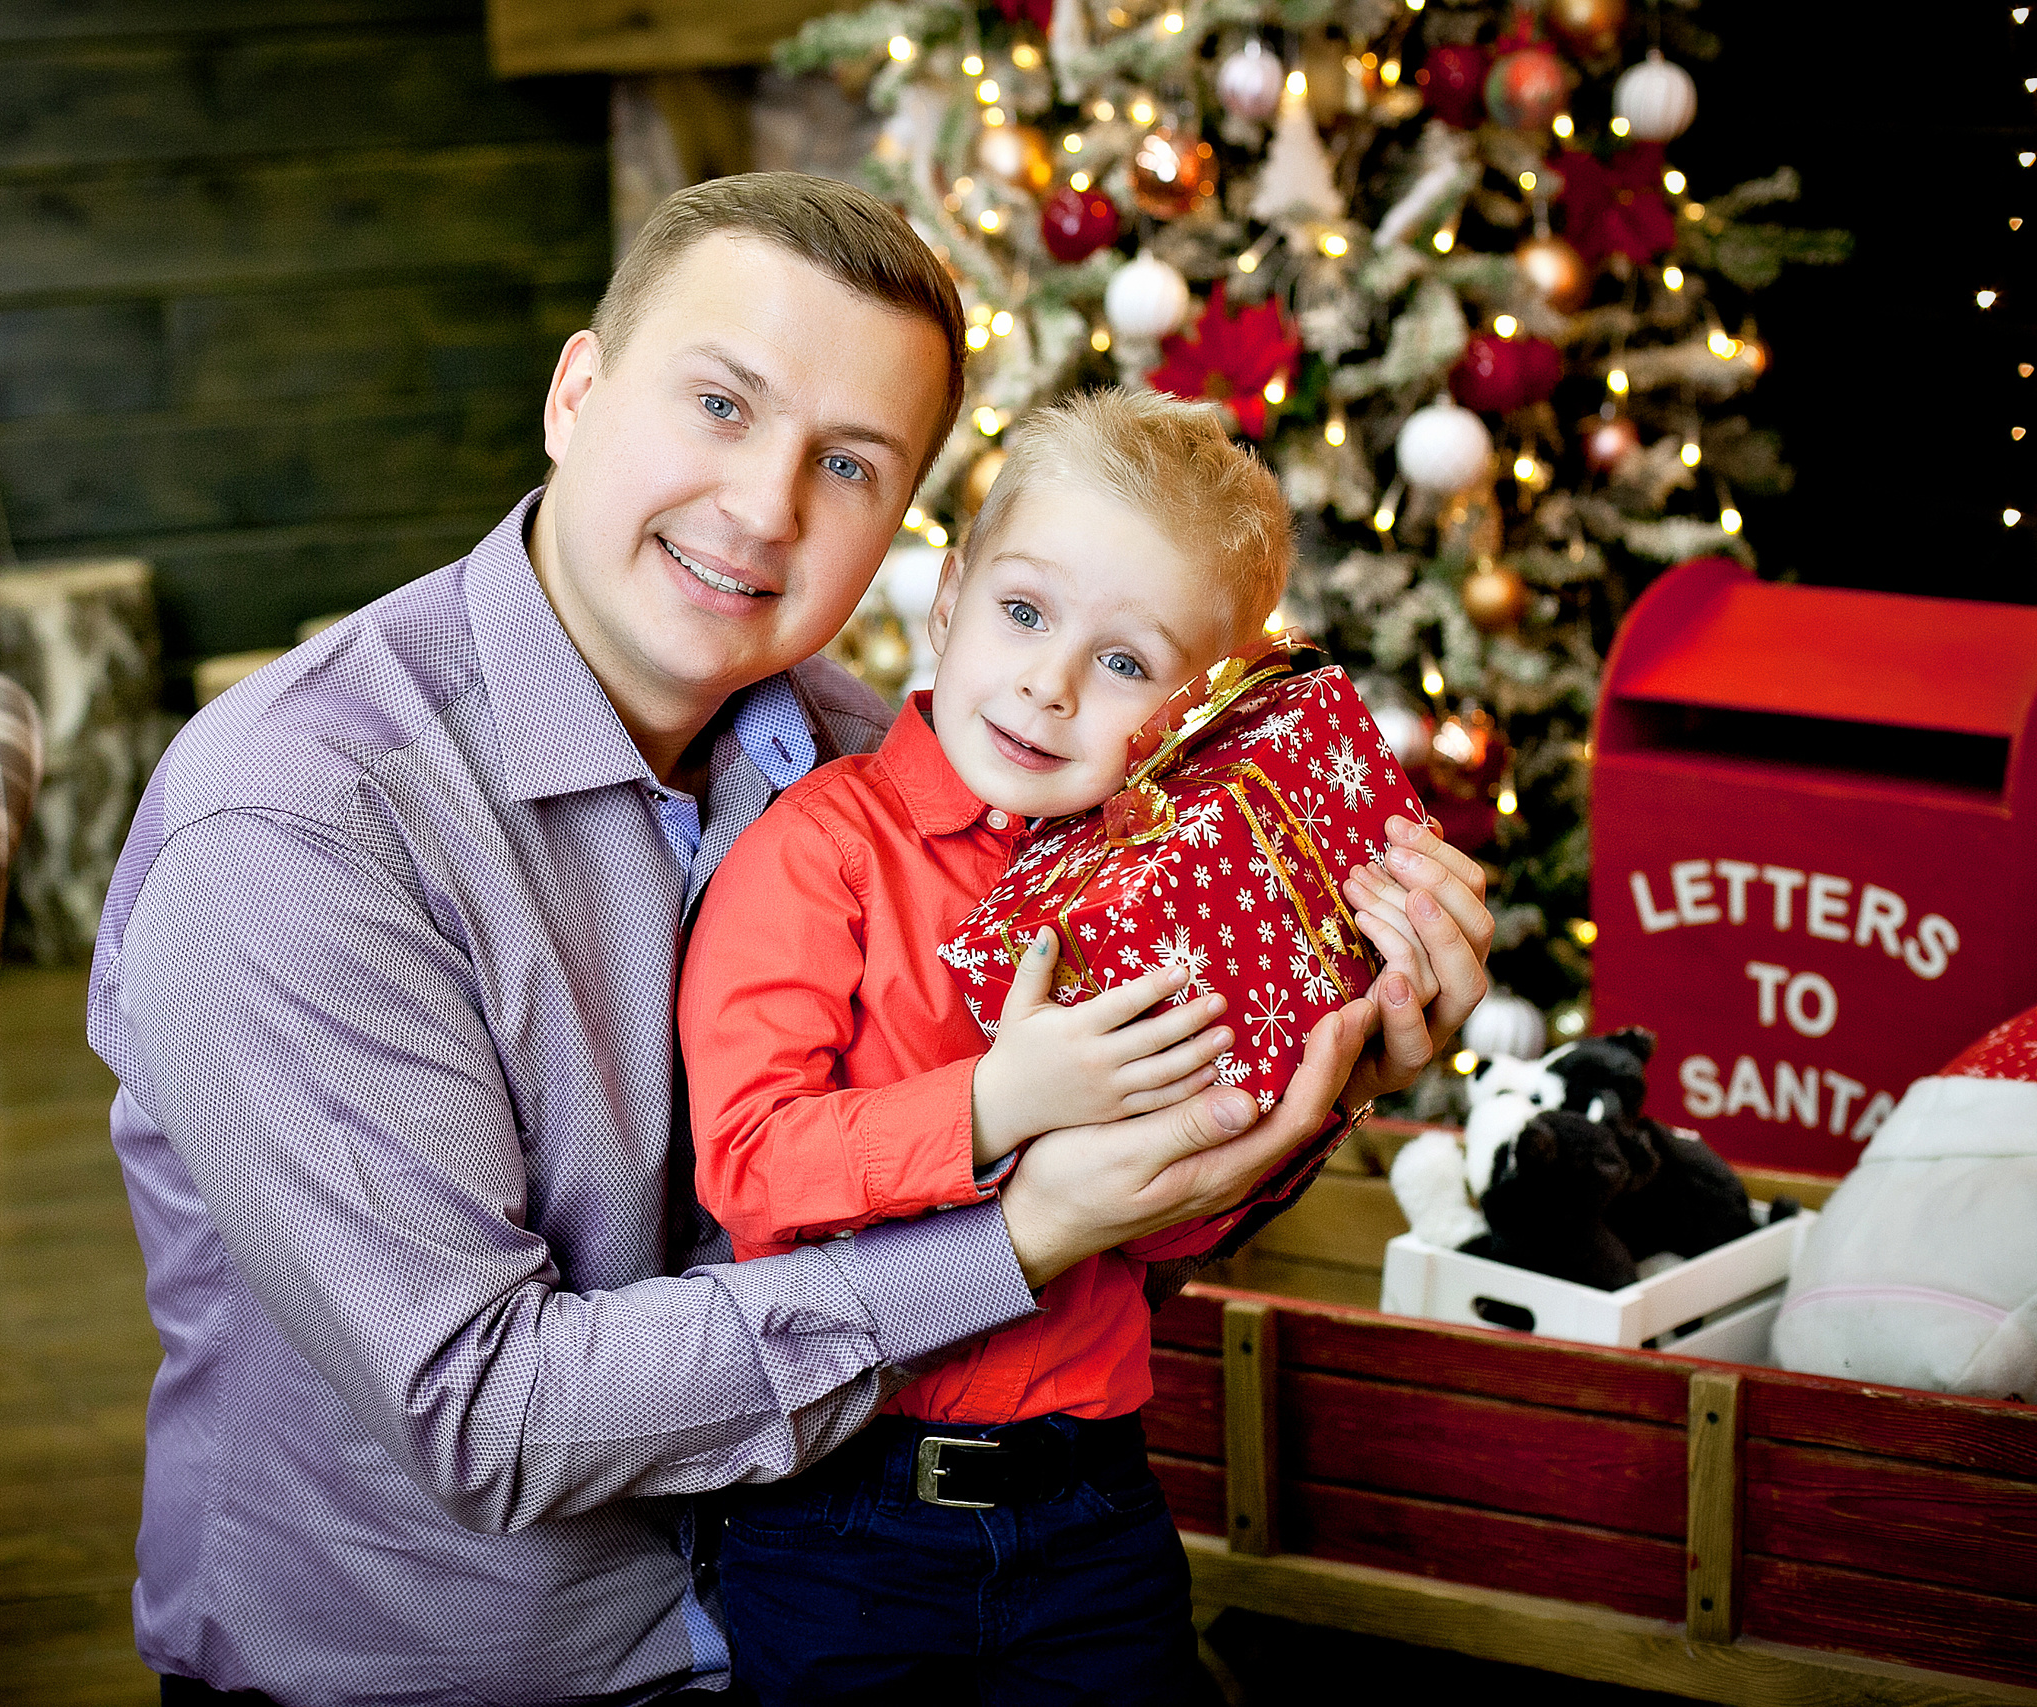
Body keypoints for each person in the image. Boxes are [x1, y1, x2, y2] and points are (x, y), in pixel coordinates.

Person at [89, 172, 1495, 1706]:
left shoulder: (906, 766)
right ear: (575, 394)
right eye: (718, 403)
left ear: (904, 530)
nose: (765, 508)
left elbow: (1092, 1227)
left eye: (849, 461)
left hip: (873, 1604)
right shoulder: (298, 828)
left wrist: (1323, 1079)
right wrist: (1011, 1238)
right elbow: (489, 1421)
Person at [678, 389, 1436, 1701]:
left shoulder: (1175, 903)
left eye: (1127, 664)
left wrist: (1318, 1095)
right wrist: (995, 1102)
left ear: (1197, 713)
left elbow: (1162, 1231)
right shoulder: (819, 850)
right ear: (954, 588)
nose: (1052, 682)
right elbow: (747, 1167)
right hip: (845, 1521)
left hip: (1094, 1509)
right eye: (1025, 613)